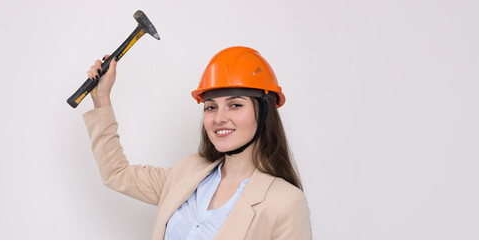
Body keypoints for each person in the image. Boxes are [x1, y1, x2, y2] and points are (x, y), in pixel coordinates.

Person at [81, 46, 311, 240]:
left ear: (263, 113)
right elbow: (117, 173)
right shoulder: (187, 172)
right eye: (211, 107)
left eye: (235, 105)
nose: (219, 118)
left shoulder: (285, 203)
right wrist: (102, 99)